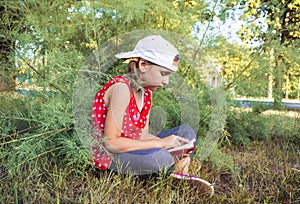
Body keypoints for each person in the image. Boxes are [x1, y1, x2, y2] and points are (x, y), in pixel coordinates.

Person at [90, 35, 213, 194]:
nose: (166, 81)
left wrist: (174, 144)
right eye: (163, 73)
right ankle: (173, 168)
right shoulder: (121, 88)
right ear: (143, 65)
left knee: (186, 133)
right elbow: (111, 143)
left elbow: (143, 134)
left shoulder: (146, 94)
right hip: (112, 158)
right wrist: (161, 144)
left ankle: (178, 171)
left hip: (134, 148)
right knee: (161, 158)